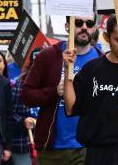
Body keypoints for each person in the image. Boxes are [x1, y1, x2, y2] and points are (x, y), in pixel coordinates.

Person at [63, 13, 118, 165]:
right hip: (98, 152)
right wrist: (68, 69)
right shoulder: (92, 69)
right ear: (107, 38)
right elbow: (71, 108)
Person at [21, 15, 102, 164]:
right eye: (78, 23)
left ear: (95, 28)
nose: (84, 27)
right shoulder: (48, 56)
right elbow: (26, 95)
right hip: (52, 149)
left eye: (89, 23)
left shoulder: (102, 60)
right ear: (67, 27)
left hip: (87, 147)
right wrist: (54, 92)